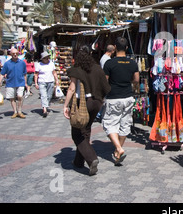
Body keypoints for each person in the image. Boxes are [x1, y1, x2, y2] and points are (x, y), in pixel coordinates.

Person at [63, 46, 111, 176]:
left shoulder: (77, 70)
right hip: (96, 103)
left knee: (76, 133)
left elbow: (72, 89)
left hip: (82, 103)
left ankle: (91, 158)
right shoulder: (97, 69)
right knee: (86, 130)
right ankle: (78, 161)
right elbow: (105, 86)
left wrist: (65, 105)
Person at [103, 37, 139, 165]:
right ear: (127, 48)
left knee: (109, 124)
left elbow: (104, 81)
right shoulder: (133, 63)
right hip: (128, 97)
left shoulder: (109, 63)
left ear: (115, 47)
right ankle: (117, 153)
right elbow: (136, 80)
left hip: (113, 97)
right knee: (125, 124)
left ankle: (118, 148)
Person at [0, 48, 27, 118]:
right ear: (11, 54)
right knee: (12, 98)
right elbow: (2, 74)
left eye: (17, 53)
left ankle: (19, 111)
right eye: (13, 54)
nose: (15, 55)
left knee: (20, 96)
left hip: (20, 82)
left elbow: (25, 74)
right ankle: (15, 112)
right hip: (10, 83)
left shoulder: (22, 63)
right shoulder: (7, 64)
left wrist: (25, 83)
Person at [35, 51, 59, 117]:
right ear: (42, 59)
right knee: (43, 95)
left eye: (48, 57)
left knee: (49, 96)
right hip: (42, 81)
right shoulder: (39, 64)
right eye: (45, 58)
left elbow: (54, 72)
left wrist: (56, 80)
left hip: (50, 81)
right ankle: (44, 110)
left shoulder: (51, 64)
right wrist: (36, 83)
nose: (47, 59)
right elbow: (36, 74)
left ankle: (46, 105)